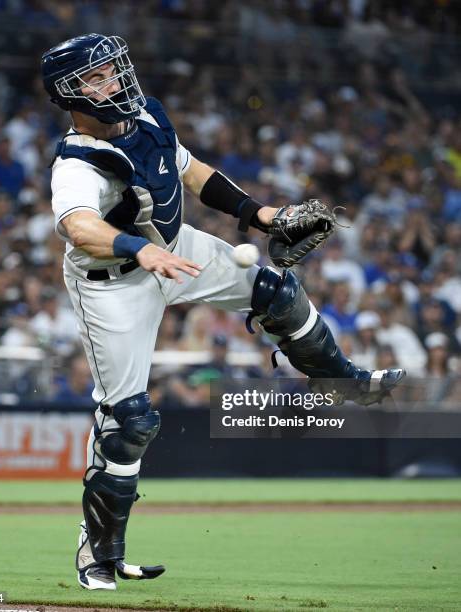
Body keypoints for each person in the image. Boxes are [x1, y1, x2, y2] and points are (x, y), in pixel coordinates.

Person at [41, 33, 404, 591]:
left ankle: (342, 381)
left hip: (172, 249)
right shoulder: (76, 161)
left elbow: (195, 173)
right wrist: (141, 250)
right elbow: (78, 227)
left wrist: (260, 215)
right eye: (97, 76)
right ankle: (100, 556)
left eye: (113, 69)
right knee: (129, 423)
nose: (114, 80)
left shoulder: (145, 116)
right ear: (70, 95)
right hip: (112, 281)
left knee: (276, 291)